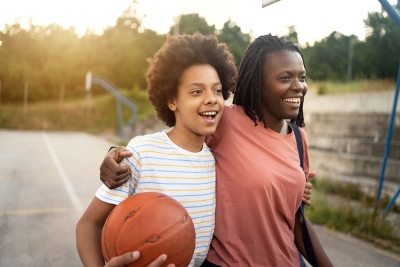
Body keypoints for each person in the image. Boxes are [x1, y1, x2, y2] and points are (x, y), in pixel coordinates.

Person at [99, 34, 332, 267]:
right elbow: (180, 134)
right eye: (285, 77)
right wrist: (114, 153)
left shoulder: (299, 139)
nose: (299, 86)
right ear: (258, 82)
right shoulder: (228, 121)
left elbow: (296, 218)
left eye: (302, 76)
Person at [75, 33, 237, 267]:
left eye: (218, 90)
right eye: (196, 91)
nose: (211, 99)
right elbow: (88, 225)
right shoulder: (142, 153)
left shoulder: (217, 161)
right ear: (172, 100)